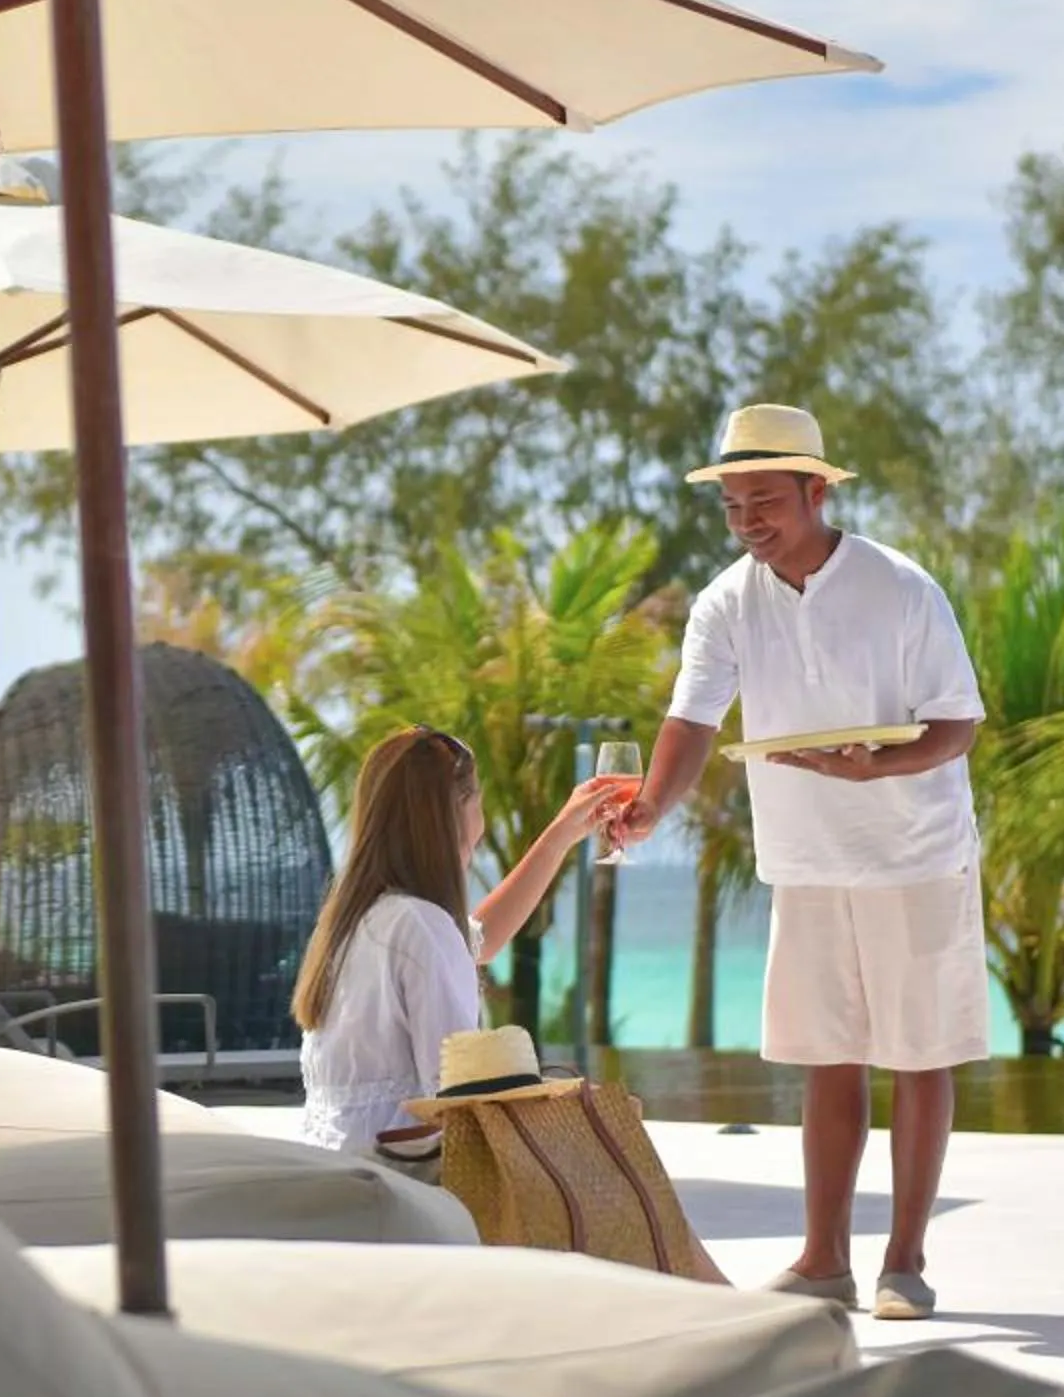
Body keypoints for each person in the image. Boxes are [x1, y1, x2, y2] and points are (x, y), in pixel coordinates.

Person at [608, 404, 986, 1321]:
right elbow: (693, 718)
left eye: (766, 500)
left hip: (915, 854)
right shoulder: (725, 602)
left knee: (920, 1056)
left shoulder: (901, 587)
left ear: (817, 492)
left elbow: (958, 721)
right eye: (734, 504)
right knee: (827, 1057)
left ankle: (904, 1260)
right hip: (806, 858)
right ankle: (823, 1261)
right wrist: (652, 804)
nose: (748, 521)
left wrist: (878, 767)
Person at [291, 725, 633, 1156]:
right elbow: (457, 1094)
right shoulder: (419, 925)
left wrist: (561, 833)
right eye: (478, 796)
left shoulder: (357, 918)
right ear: (458, 809)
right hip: (399, 1178)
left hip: (334, 1160)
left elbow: (477, 941)